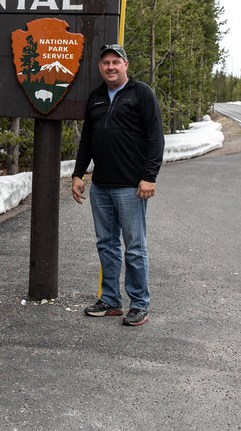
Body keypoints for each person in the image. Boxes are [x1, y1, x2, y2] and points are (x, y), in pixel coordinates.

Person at [71, 44, 164, 327]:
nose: (110, 67)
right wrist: (78, 173)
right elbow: (87, 139)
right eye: (105, 63)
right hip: (101, 186)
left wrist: (150, 176)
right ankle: (110, 300)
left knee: (134, 247)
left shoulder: (141, 93)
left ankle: (139, 304)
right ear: (100, 67)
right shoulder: (97, 97)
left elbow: (155, 138)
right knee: (106, 245)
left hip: (131, 187)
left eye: (116, 62)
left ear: (125, 65)